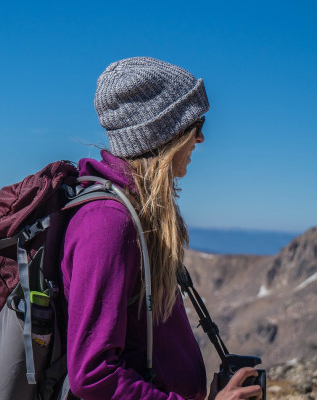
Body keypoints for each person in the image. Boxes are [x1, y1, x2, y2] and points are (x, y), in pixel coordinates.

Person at [60, 57, 263, 400]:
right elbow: (93, 374)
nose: (200, 138)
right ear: (165, 133)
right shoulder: (108, 223)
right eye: (195, 125)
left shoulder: (136, 214)